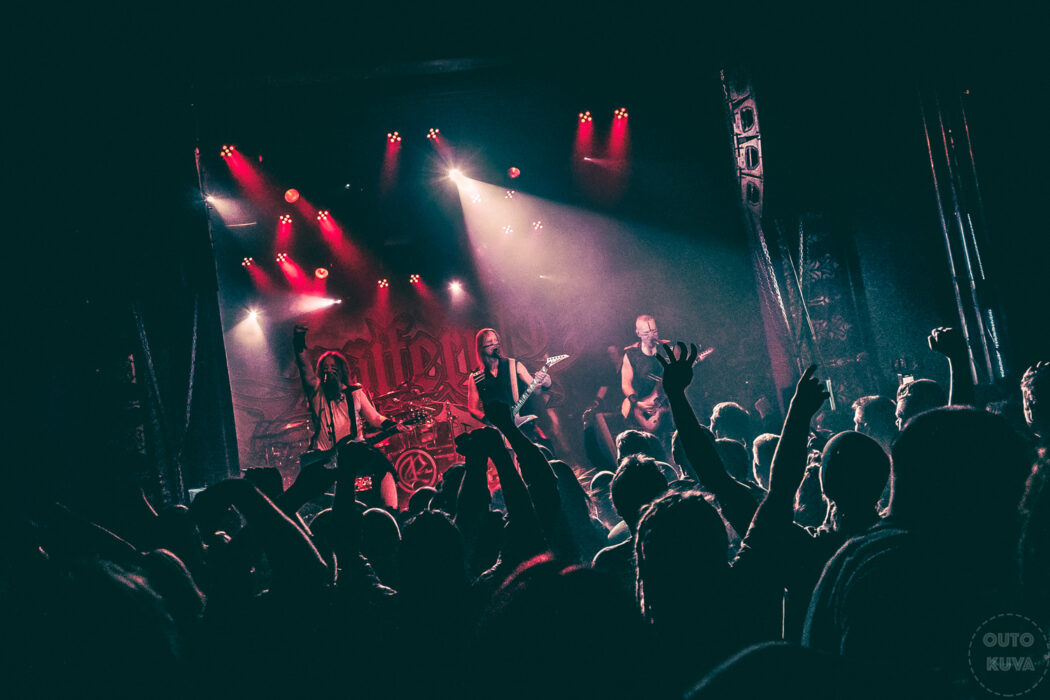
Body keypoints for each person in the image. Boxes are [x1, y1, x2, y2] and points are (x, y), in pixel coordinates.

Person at [293, 325, 400, 509]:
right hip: (324, 456)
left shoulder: (355, 393)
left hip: (356, 452)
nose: (329, 371)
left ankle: (391, 513)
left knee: (385, 469)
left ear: (341, 370)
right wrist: (299, 340)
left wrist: (395, 425)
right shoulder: (317, 392)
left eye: (333, 367)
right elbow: (305, 369)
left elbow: (375, 419)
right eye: (325, 368)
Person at [466, 328, 550, 424]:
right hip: (498, 428)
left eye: (496, 340)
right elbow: (472, 408)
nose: (495, 344)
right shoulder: (476, 377)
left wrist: (546, 384)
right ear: (481, 347)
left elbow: (536, 390)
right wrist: (489, 422)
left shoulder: (513, 365)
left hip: (523, 425)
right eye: (490, 342)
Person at [620, 314, 673, 434]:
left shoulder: (667, 351)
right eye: (646, 333)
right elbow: (626, 384)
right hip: (641, 412)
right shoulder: (631, 355)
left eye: (654, 331)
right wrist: (637, 403)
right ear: (638, 333)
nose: (651, 336)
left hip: (665, 410)